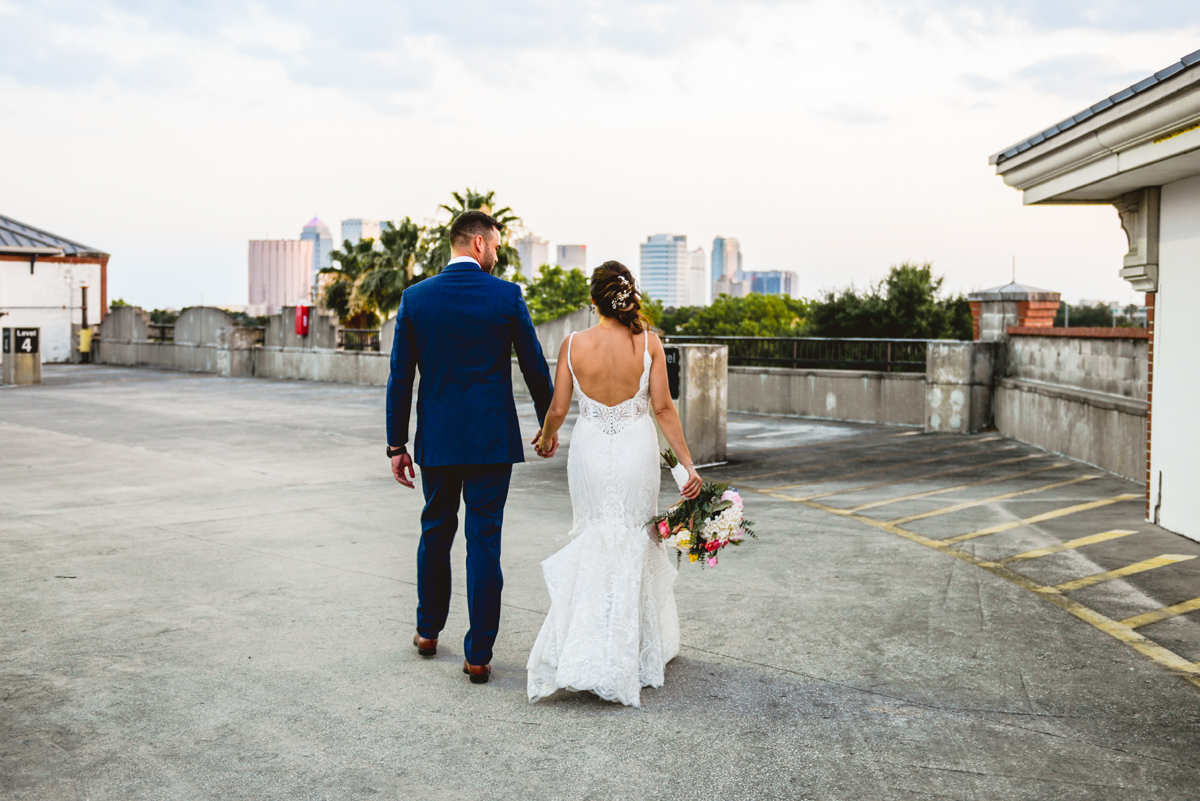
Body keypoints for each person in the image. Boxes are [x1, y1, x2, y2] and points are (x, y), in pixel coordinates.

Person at [386, 209, 555, 685]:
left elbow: (401, 376)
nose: (498, 253)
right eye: (497, 245)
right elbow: (534, 366)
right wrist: (547, 425)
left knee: (435, 532)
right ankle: (478, 655)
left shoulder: (416, 298)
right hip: (490, 442)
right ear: (478, 244)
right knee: (484, 542)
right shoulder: (506, 296)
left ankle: (426, 631)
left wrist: (395, 443)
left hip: (437, 441)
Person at [526, 261, 702, 707]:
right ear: (629, 295)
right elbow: (663, 410)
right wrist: (688, 465)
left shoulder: (572, 345)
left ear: (593, 300)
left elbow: (558, 410)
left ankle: (582, 646)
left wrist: (547, 439)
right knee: (633, 539)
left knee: (595, 534)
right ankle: (631, 651)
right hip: (634, 451)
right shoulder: (649, 343)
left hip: (587, 451)